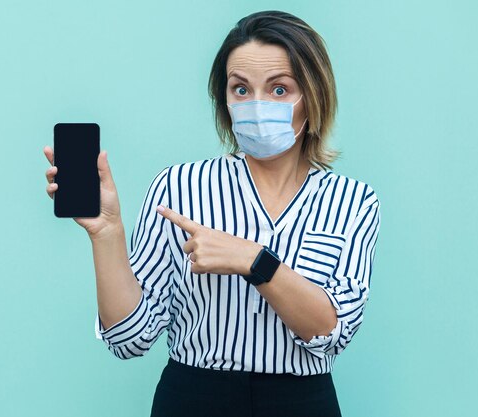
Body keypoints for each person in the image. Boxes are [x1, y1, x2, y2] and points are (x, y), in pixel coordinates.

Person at [43, 10, 380, 417]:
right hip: (194, 399)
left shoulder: (354, 201)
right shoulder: (178, 187)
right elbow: (130, 338)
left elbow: (329, 333)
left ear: (314, 95)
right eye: (241, 89)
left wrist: (253, 260)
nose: (256, 105)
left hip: (302, 403)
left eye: (279, 90)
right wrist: (107, 234)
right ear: (225, 99)